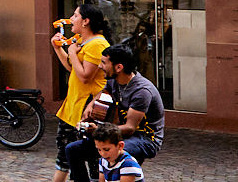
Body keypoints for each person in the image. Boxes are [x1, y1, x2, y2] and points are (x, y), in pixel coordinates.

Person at [56, 45, 163, 182]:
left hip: (145, 138)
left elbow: (130, 128)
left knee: (113, 152)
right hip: (118, 133)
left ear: (118, 67)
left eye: (104, 63)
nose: (100, 66)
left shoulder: (141, 91)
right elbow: (104, 91)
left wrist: (99, 130)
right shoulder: (114, 81)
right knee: (72, 149)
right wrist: (91, 105)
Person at [55, 5, 112, 138]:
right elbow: (72, 68)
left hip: (87, 105)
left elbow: (85, 77)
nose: (71, 19)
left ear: (85, 21)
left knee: (80, 152)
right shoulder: (83, 41)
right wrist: (58, 49)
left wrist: (72, 53)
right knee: (66, 152)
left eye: (75, 16)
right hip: (73, 105)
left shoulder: (97, 44)